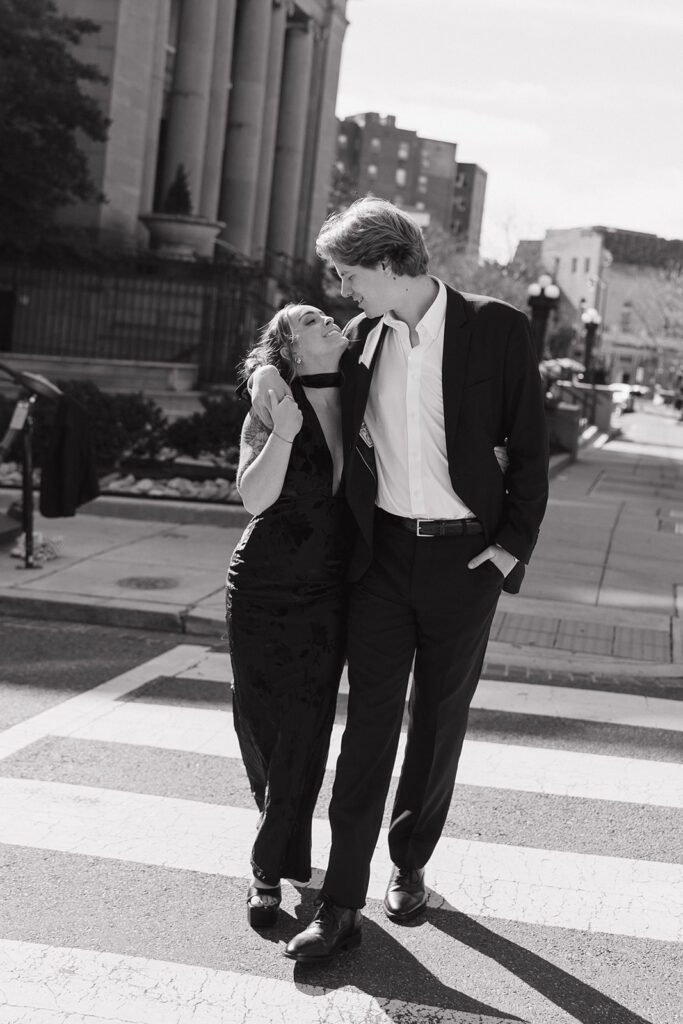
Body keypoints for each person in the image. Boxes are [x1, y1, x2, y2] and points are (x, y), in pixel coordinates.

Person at [250, 198, 549, 962]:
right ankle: (341, 902)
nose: (340, 288)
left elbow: (530, 445)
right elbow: (303, 384)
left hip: (467, 560)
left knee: (438, 722)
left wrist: (510, 548)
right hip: (380, 560)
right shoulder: (356, 341)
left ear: (387, 264)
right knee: (368, 730)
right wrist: (262, 380)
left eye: (348, 273)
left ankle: (409, 860)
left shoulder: (497, 326)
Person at [226, 303, 350, 928]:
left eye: (326, 312)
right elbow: (253, 496)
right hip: (261, 584)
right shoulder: (273, 399)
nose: (327, 318)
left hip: (328, 590)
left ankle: (266, 868)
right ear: (289, 347)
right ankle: (274, 850)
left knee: (307, 726)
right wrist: (283, 430)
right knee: (262, 721)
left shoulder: (361, 387)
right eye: (309, 319)